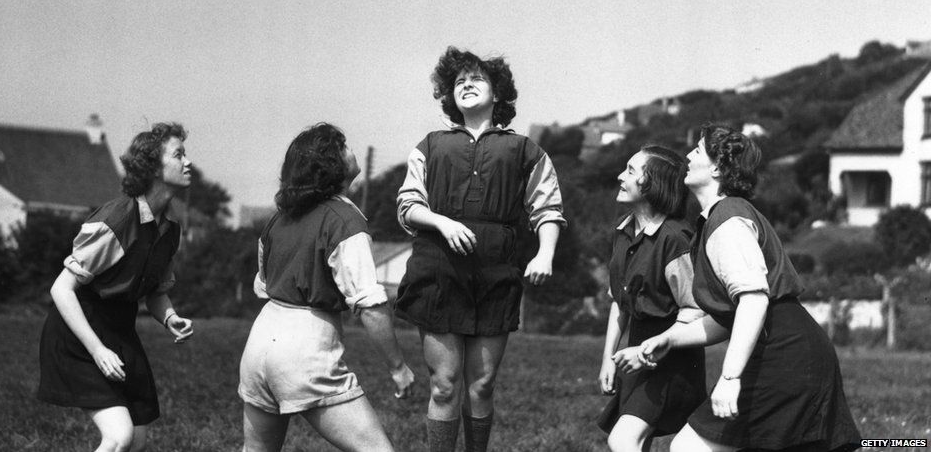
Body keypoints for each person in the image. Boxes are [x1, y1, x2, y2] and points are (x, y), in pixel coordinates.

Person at [617, 123, 861, 452]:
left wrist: (729, 378)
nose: (688, 156)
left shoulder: (728, 219)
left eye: (698, 151)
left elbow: (754, 300)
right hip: (788, 351)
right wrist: (669, 339)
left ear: (717, 168)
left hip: (783, 354)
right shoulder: (717, 219)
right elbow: (726, 317)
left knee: (688, 448)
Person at [395, 46, 566, 452]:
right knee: (444, 384)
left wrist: (545, 254)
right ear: (449, 98)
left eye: (477, 79)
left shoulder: (524, 149)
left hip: (496, 272)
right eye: (458, 82)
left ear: (499, 94)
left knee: (483, 384)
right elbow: (408, 205)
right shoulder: (431, 145)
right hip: (437, 270)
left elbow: (548, 208)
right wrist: (442, 222)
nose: (467, 85)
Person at [238, 123, 416, 452]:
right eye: (343, 145)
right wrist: (398, 367)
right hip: (304, 348)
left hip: (259, 341)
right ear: (331, 164)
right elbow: (371, 307)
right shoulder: (345, 220)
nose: (351, 149)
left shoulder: (277, 219)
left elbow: (261, 285)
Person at [37, 122, 196, 452]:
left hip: (120, 332)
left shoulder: (170, 228)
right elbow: (61, 289)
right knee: (119, 437)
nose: (187, 162)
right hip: (79, 331)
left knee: (136, 441)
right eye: (178, 154)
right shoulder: (118, 218)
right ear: (152, 166)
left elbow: (155, 294)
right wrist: (96, 349)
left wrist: (170, 318)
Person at [596, 146, 706, 452]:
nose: (620, 176)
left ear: (653, 184)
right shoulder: (622, 231)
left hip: (672, 358)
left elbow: (695, 308)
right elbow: (619, 301)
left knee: (623, 440)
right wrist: (608, 358)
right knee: (635, 441)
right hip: (636, 352)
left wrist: (656, 347)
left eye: (631, 171)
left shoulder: (674, 239)